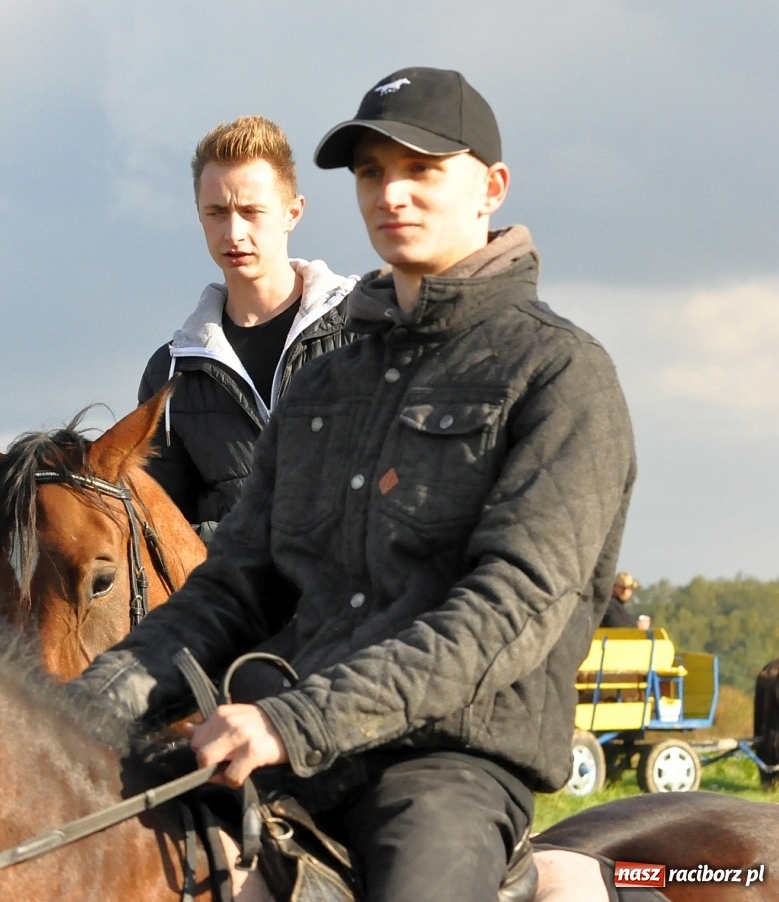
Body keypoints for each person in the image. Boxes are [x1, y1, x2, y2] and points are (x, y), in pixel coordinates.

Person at [75, 68, 636, 902]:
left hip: (445, 767)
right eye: (372, 172)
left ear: (492, 187)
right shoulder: (324, 383)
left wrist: (295, 720)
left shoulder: (561, 372)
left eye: (421, 169)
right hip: (285, 738)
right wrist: (85, 701)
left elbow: (510, 610)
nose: (390, 192)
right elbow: (234, 584)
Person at [139, 116, 357, 543]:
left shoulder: (367, 329)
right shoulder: (169, 373)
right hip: (234, 586)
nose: (233, 233)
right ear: (199, 215)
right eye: (216, 212)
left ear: (293, 213)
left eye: (251, 212)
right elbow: (160, 535)